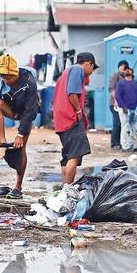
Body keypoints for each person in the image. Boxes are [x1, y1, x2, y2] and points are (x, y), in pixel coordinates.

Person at [0, 53, 39, 197]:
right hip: (10, 108)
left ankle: (18, 186)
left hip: (26, 112)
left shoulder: (29, 81)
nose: (6, 80)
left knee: (20, 149)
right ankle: (2, 143)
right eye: (4, 77)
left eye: (9, 77)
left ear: (15, 73)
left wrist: (20, 133)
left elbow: (31, 109)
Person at [54, 52, 98, 184]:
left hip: (61, 118)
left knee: (67, 156)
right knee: (75, 155)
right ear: (88, 63)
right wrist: (78, 110)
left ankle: (64, 189)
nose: (91, 72)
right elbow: (72, 92)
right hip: (70, 117)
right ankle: (68, 190)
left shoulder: (66, 72)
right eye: (92, 68)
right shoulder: (77, 69)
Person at [115, 67, 137, 152]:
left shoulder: (135, 83)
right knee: (125, 128)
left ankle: (132, 146)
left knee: (134, 128)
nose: (127, 70)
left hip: (133, 109)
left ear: (132, 72)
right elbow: (117, 96)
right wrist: (123, 107)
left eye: (129, 69)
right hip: (124, 109)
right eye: (126, 69)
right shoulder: (121, 83)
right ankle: (125, 147)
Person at [108, 60, 129, 148]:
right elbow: (112, 89)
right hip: (115, 104)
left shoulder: (126, 77)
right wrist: (116, 100)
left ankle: (121, 142)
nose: (122, 70)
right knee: (116, 123)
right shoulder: (115, 75)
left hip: (123, 104)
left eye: (124, 69)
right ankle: (114, 143)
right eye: (121, 68)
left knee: (122, 124)